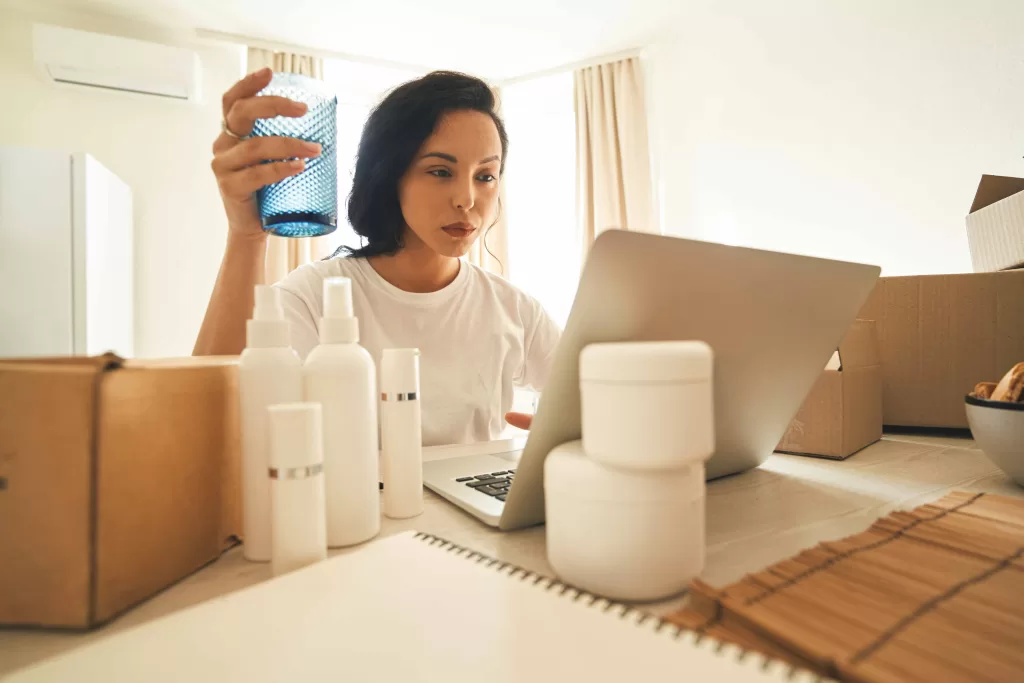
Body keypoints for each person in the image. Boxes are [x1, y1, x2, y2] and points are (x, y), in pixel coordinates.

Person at [194, 67, 560, 446]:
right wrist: (246, 235)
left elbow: (589, 401)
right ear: (389, 176)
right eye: (440, 171)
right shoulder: (315, 296)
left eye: (485, 176)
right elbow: (212, 422)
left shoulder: (513, 308)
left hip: (475, 504)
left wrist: (570, 434)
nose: (467, 199)